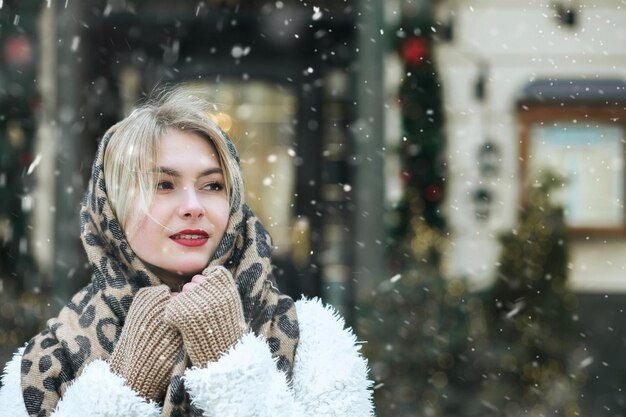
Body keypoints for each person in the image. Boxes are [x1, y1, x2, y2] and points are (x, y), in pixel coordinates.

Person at [0, 87, 374, 417]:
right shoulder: (52, 357)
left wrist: (229, 359)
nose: (194, 206)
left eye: (212, 185)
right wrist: (126, 386)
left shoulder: (313, 340)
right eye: (163, 184)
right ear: (111, 209)